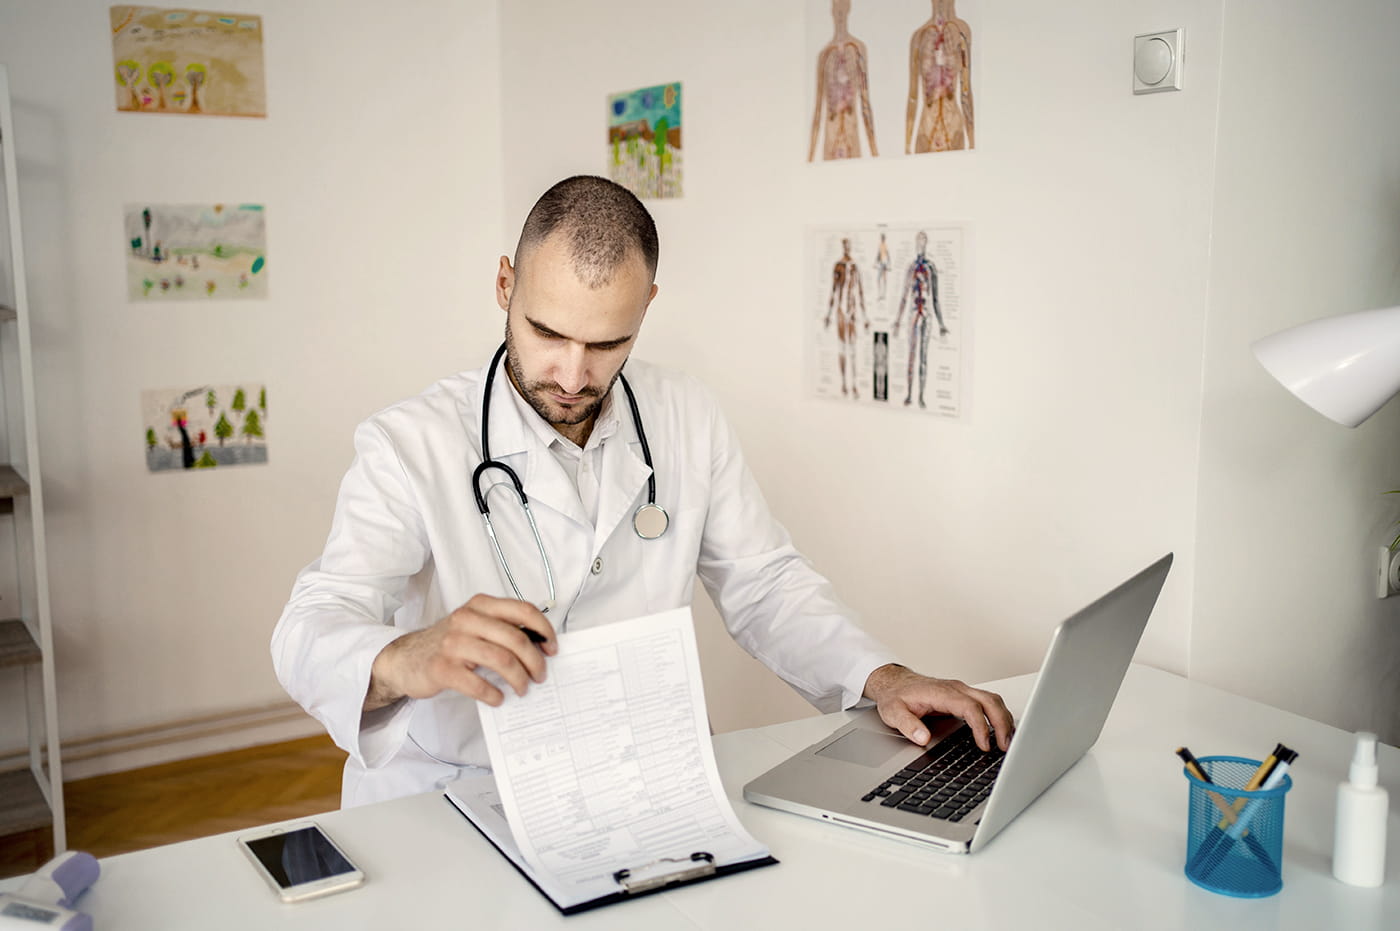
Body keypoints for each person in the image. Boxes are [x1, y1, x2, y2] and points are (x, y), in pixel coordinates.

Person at [272, 176, 1011, 807]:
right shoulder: (410, 443)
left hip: (632, 781)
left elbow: (766, 586)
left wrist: (883, 677)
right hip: (457, 790)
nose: (570, 374)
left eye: (605, 345)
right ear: (505, 284)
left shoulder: (685, 415)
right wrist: (406, 655)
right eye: (546, 332)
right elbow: (310, 629)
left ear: (647, 305)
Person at [808, 0, 878, 161]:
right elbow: (818, 109)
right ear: (831, 10)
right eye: (836, 7)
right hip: (831, 138)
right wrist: (810, 157)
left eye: (842, 6)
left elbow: (865, 103)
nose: (839, 12)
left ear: (848, 8)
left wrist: (874, 150)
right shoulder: (824, 55)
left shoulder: (857, 49)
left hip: (851, 134)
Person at [906, 0, 975, 154]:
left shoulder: (961, 31)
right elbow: (913, 95)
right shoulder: (919, 36)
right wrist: (907, 145)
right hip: (927, 126)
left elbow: (965, 91)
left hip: (953, 126)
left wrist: (972, 142)